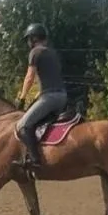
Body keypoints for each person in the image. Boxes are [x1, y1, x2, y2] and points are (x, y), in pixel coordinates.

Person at [13, 23, 67, 169]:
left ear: (33, 38)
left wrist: (22, 97)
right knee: (39, 123)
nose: (28, 43)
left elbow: (29, 77)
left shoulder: (35, 52)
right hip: (62, 96)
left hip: (50, 98)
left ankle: (35, 161)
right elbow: (51, 77)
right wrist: (38, 95)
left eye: (28, 39)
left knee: (22, 125)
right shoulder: (53, 53)